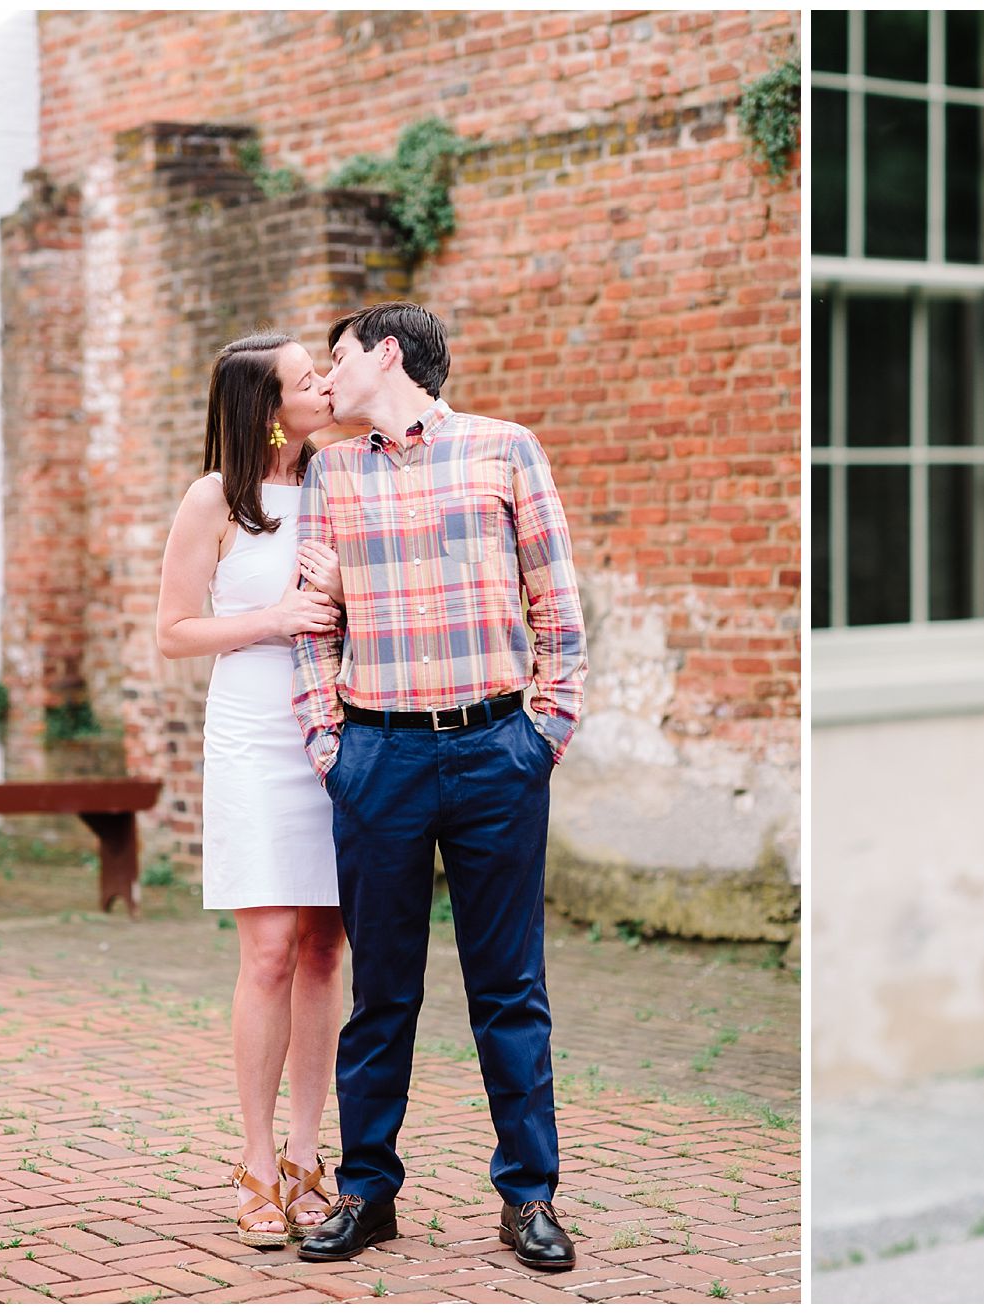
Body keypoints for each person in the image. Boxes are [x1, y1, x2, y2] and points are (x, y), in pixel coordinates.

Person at [289, 302, 588, 1270]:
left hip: (497, 748)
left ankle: (530, 1196)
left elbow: (556, 594)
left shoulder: (506, 449)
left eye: (337, 360)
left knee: (510, 988)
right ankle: (367, 1192)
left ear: (385, 353)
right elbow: (312, 616)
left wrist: (548, 727)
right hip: (379, 757)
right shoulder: (332, 471)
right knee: (381, 992)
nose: (327, 381)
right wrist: (328, 743)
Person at [155, 332, 350, 1247]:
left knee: (323, 950)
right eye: (309, 378)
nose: (325, 383)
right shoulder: (214, 499)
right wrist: (274, 617)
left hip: (340, 732)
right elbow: (174, 631)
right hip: (252, 737)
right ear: (268, 410)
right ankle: (257, 1159)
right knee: (269, 950)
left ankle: (313, 1155)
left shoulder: (346, 479)